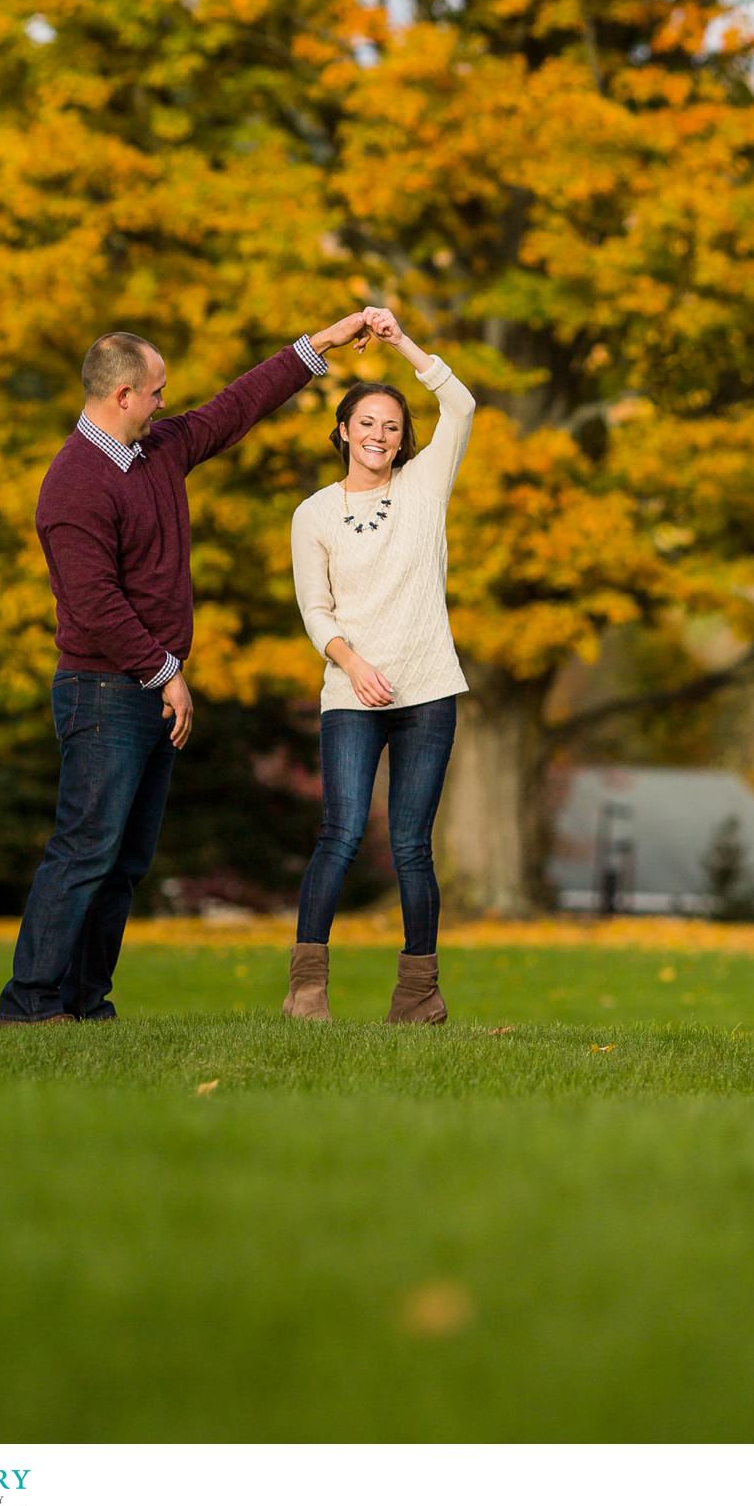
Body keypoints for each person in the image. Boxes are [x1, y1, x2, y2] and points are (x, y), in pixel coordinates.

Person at [0, 313, 374, 1024]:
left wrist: (319, 344)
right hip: (102, 691)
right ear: (122, 397)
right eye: (157, 391)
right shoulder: (73, 485)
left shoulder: (157, 451)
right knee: (84, 851)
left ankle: (85, 1004)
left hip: (143, 689)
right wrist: (165, 672)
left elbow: (235, 408)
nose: (167, 402)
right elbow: (95, 604)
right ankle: (30, 1007)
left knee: (125, 865)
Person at [286, 307, 476, 1024]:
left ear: (403, 440)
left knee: (410, 846)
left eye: (391, 426)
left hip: (428, 691)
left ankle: (418, 998)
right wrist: (353, 664)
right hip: (351, 694)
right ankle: (306, 991)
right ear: (341, 432)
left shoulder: (426, 488)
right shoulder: (313, 515)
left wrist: (401, 344)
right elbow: (316, 611)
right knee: (337, 835)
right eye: (365, 423)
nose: (377, 435)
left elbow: (459, 402)